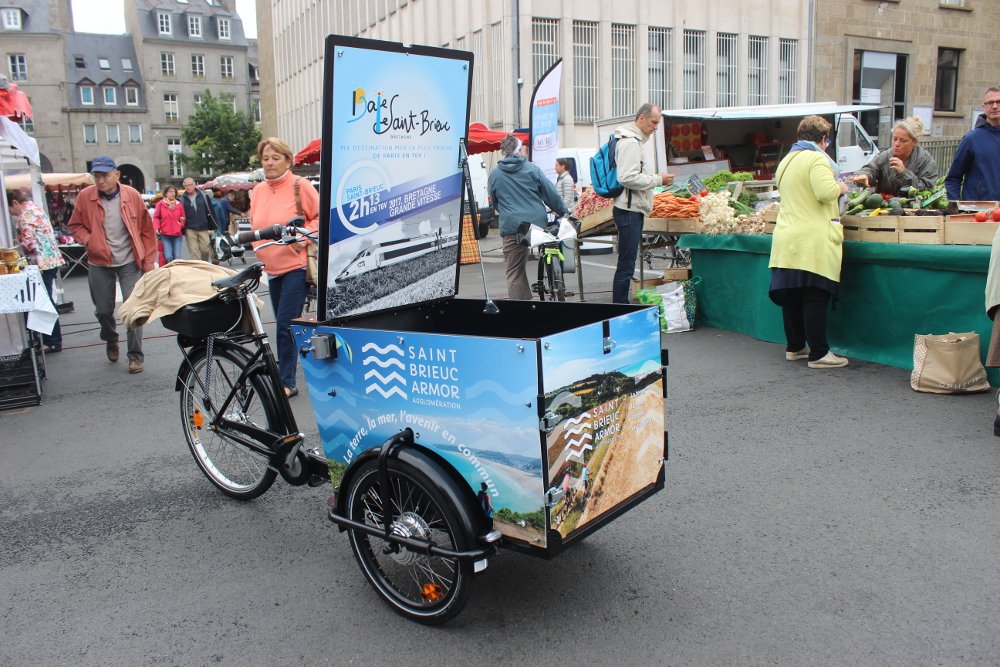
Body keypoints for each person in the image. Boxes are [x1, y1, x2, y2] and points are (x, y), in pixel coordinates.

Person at [768, 116, 851, 369]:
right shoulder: (816, 158)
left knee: (792, 295)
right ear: (824, 140)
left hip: (787, 236)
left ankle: (795, 347)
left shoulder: (787, 160)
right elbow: (825, 191)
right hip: (811, 237)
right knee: (814, 294)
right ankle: (819, 353)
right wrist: (842, 187)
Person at [67, 156, 156, 374]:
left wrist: (147, 262)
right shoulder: (85, 196)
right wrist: (89, 240)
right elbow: (75, 225)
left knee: (133, 309)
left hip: (129, 261)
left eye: (104, 175)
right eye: (96, 176)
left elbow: (146, 230)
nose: (100, 180)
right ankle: (110, 337)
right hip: (99, 262)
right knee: (104, 310)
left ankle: (135, 356)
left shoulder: (132, 195)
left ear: (116, 175)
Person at [249, 137, 319, 398]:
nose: (269, 163)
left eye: (275, 158)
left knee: (285, 325)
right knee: (281, 322)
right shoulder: (258, 191)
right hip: (271, 267)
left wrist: (301, 238)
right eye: (265, 158)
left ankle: (287, 381)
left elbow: (320, 218)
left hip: (296, 265)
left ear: (288, 161)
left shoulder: (300, 186)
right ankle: (287, 371)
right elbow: (257, 224)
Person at [488, 133, 569, 300]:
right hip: (536, 224)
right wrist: (562, 211)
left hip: (513, 226)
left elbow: (494, 201)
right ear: (520, 151)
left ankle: (522, 310)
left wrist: (506, 212)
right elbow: (550, 194)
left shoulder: (495, 174)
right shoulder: (532, 169)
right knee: (549, 246)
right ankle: (555, 278)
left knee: (515, 271)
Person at [610, 103, 675, 304]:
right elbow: (627, 177)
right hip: (628, 211)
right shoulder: (630, 142)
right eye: (654, 122)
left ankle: (620, 307)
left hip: (630, 209)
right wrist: (657, 180)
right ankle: (620, 309)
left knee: (627, 263)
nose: (656, 127)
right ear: (641, 119)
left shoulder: (633, 140)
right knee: (627, 265)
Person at [9, 190, 66, 352]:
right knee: (45, 299)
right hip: (50, 260)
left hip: (41, 263)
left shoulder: (25, 214)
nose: (12, 213)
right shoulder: (37, 209)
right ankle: (49, 339)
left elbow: (28, 242)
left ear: (15, 203)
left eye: (11, 209)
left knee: (44, 301)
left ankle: (52, 340)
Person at [850, 116, 938, 195]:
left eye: (903, 141)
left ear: (914, 142)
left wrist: (904, 173)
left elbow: (927, 189)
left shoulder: (926, 161)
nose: (896, 144)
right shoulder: (886, 155)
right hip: (885, 207)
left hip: (914, 208)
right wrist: (865, 175)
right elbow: (871, 168)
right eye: (895, 139)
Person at [945, 86, 1000, 202]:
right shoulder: (971, 139)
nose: (995, 106)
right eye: (990, 102)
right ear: (984, 107)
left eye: (999, 102)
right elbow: (953, 178)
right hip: (978, 213)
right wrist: (956, 205)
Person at [180, 177, 218, 263]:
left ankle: (204, 263)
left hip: (203, 227)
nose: (188, 187)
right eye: (186, 185)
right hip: (189, 228)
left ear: (194, 185)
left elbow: (210, 210)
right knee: (194, 251)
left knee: (205, 249)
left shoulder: (203, 196)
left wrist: (214, 224)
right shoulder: (182, 198)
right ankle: (198, 268)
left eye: (190, 185)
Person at [153, 185, 185, 264]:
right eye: (170, 191)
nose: (173, 193)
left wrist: (180, 225)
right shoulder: (160, 204)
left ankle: (175, 271)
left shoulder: (179, 205)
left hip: (177, 234)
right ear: (166, 193)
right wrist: (157, 227)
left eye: (174, 192)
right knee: (168, 256)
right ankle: (170, 269)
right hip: (165, 233)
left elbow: (182, 217)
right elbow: (156, 217)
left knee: (177, 256)